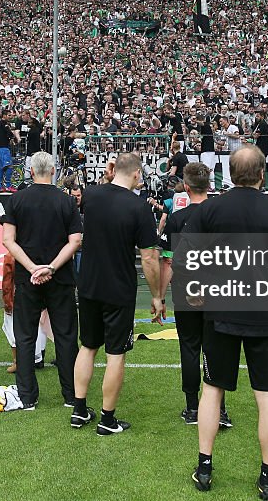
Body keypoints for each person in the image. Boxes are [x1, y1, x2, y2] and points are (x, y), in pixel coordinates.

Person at [183, 145, 268, 497]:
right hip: (261, 312)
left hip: (221, 312)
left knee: (213, 390)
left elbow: (187, 251)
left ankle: (205, 466)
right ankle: (266, 476)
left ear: (230, 173)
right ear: (262, 173)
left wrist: (194, 286)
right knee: (266, 397)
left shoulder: (211, 208)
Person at [71, 152, 162, 435]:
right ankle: (107, 419)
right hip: (118, 289)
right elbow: (149, 258)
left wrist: (110, 175)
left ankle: (79, 410)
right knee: (115, 353)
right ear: (136, 174)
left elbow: (103, 190)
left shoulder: (92, 196)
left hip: (88, 285)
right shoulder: (138, 207)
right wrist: (157, 295)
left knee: (87, 346)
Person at [1, 151, 83, 409]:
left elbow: (7, 240)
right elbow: (76, 241)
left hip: (30, 278)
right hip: (58, 278)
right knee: (66, 335)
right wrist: (49, 267)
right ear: (53, 171)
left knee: (25, 336)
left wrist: (36, 268)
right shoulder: (67, 201)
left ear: (32, 171)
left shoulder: (17, 200)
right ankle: (71, 395)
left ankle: (27, 396)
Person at [158, 162, 232, 428]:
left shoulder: (178, 219)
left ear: (186, 187)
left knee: (189, 347)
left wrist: (160, 296)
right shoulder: (222, 215)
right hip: (216, 290)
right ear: (208, 185)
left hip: (186, 290)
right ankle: (219, 409)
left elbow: (167, 262)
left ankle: (192, 408)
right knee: (216, 349)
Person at [0, 108, 20, 191]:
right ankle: (8, 185)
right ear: (4, 116)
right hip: (3, 148)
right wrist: (13, 137)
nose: (11, 117)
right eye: (9, 115)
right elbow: (9, 134)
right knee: (9, 166)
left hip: (2, 147)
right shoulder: (3, 124)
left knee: (2, 167)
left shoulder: (2, 124)